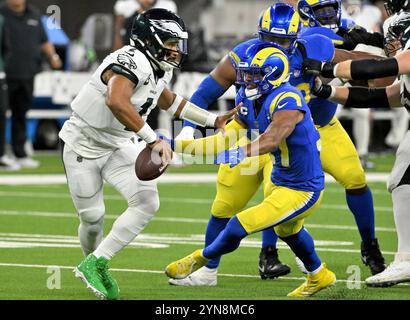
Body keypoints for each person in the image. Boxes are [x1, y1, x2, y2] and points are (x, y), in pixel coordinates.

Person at [170, 3, 385, 288]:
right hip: (251, 129)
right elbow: (206, 92)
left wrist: (333, 68)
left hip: (308, 130)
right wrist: (184, 136)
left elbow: (378, 74)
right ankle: (219, 267)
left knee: (342, 181)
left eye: (283, 41)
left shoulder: (313, 47)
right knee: (227, 202)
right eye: (270, 39)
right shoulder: (244, 55)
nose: (277, 46)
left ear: (297, 36)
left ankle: (364, 249)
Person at [59, 8, 236, 300]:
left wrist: (212, 120)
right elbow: (116, 100)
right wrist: (153, 140)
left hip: (117, 142)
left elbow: (171, 102)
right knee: (93, 218)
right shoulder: (128, 60)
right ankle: (90, 260)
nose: (176, 50)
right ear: (150, 40)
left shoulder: (157, 67)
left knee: (146, 201)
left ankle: (97, 262)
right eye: (170, 42)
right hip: (83, 144)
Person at [165, 42, 336, 297]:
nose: (246, 80)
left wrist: (241, 152)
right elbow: (221, 140)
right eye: (246, 74)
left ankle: (198, 259)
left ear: (274, 75)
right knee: (289, 231)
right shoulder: (249, 99)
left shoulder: (287, 99)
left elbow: (271, 139)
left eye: (254, 75)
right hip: (282, 179)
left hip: (303, 188)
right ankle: (319, 275)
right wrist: (173, 145)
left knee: (239, 223)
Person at [302, 3, 410, 287]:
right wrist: (328, 90)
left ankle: (406, 260)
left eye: (399, 34)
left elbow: (389, 66)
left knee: (402, 179)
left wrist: (329, 67)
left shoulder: (404, 58)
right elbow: (385, 96)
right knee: (402, 180)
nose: (393, 41)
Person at [0, 0, 63, 169]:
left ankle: (20, 153)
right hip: (4, 74)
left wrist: (53, 57)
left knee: (20, 115)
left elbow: (44, 41)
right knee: (1, 113)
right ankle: (2, 154)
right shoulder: (2, 13)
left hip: (27, 74)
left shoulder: (34, 14)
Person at [113, 0, 177, 52]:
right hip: (132, 49)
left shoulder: (168, 5)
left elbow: (173, 33)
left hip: (158, 50)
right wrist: (117, 52)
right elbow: (118, 32)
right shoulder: (124, 5)